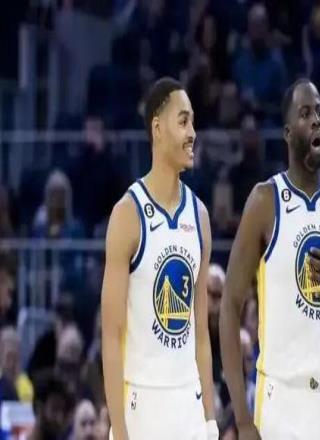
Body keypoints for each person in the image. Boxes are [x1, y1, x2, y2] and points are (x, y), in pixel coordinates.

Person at [220, 78, 320, 439]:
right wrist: (242, 420)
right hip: (279, 400)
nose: (316, 120)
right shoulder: (265, 201)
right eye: (305, 113)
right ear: (287, 131)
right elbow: (230, 305)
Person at [101, 77, 217, 440]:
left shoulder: (199, 216)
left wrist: (210, 421)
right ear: (157, 128)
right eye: (183, 121)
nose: (192, 133)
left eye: (193, 122)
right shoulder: (127, 214)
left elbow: (201, 335)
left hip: (189, 406)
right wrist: (120, 431)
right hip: (142, 408)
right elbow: (110, 335)